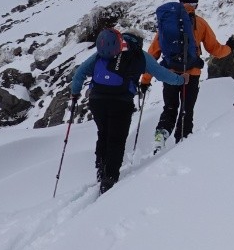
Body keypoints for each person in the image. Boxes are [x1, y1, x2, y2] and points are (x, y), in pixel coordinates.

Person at [70, 27, 186, 193]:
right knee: (116, 139)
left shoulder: (104, 52)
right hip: (121, 102)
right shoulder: (141, 56)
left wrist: (75, 93)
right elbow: (162, 74)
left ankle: (100, 168)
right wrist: (180, 80)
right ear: (138, 41)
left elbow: (80, 72)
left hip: (97, 100)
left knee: (103, 133)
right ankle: (109, 177)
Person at [146, 0, 232, 151]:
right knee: (187, 110)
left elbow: (153, 54)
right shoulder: (200, 23)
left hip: (170, 73)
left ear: (179, 3)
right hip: (191, 74)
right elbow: (215, 50)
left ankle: (161, 134)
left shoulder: (167, 25)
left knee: (170, 108)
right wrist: (230, 48)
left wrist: (145, 80)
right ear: (196, 5)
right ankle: (183, 144)